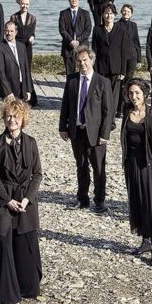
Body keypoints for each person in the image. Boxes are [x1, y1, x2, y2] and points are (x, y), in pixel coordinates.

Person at [0, 97, 42, 304]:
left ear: (23, 118)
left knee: (25, 242)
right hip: (4, 199)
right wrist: (7, 200)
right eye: (8, 116)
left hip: (25, 198)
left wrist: (27, 199)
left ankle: (27, 286)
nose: (12, 120)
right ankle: (7, 293)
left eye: (16, 116)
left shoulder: (31, 143)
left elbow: (37, 174)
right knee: (4, 244)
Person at [59, 47, 113, 212]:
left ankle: (100, 200)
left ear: (92, 61)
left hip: (96, 134)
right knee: (81, 166)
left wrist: (104, 134)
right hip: (76, 131)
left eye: (85, 60)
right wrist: (62, 127)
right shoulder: (72, 80)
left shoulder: (102, 82)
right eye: (79, 61)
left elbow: (108, 111)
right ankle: (82, 199)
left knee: (98, 168)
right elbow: (65, 105)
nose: (82, 63)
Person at [121, 79, 152, 267]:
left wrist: (150, 160)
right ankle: (145, 241)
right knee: (137, 201)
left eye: (137, 93)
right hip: (131, 163)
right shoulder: (126, 111)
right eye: (131, 93)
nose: (134, 97)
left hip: (147, 163)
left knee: (151, 204)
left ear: (144, 94)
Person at [93, 3, 134, 121]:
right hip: (101, 67)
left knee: (114, 96)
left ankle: (111, 120)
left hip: (116, 68)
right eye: (106, 13)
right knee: (103, 94)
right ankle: (104, 117)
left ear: (115, 15)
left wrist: (123, 71)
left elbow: (124, 52)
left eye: (111, 13)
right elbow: (94, 50)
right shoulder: (97, 29)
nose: (109, 15)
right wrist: (94, 68)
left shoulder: (121, 30)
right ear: (102, 15)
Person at [10, 0, 38, 106]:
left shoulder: (32, 18)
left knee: (27, 71)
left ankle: (32, 97)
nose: (25, 6)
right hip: (17, 46)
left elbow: (32, 32)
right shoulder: (14, 17)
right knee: (17, 71)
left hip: (27, 46)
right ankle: (18, 95)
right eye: (23, 4)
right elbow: (11, 32)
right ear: (19, 3)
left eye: (27, 4)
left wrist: (33, 37)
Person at [0, 21, 32, 102]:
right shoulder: (0, 47)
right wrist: (8, 92)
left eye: (11, 31)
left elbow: (26, 69)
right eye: (7, 31)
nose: (9, 33)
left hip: (22, 88)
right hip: (9, 89)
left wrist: (28, 89)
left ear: (16, 32)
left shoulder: (22, 46)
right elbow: (1, 72)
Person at [59, 0, 92, 77]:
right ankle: (70, 84)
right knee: (69, 73)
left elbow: (88, 30)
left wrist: (78, 40)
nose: (74, 0)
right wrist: (71, 41)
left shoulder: (85, 13)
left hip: (82, 45)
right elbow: (62, 29)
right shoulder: (63, 13)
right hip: (68, 45)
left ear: (79, 0)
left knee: (84, 69)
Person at [117, 3, 142, 102]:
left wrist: (139, 59)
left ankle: (127, 100)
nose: (126, 13)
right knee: (120, 79)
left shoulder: (133, 25)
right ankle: (120, 101)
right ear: (121, 12)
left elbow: (137, 42)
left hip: (132, 56)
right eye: (124, 11)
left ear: (131, 14)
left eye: (128, 11)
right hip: (121, 57)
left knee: (128, 79)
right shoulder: (116, 25)